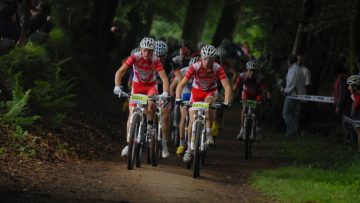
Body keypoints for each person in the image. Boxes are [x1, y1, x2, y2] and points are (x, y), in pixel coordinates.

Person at [175, 45, 232, 162]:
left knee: (208, 104)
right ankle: (189, 149)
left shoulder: (217, 68)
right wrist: (177, 98)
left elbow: (227, 86)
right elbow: (181, 84)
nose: (207, 61)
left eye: (210, 59)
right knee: (191, 119)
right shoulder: (195, 67)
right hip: (196, 92)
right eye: (205, 59)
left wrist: (226, 101)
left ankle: (209, 133)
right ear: (201, 58)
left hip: (210, 92)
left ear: (214, 59)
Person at [114, 37, 169, 157]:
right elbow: (120, 71)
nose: (146, 53)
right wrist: (117, 86)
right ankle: (129, 145)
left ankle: (150, 127)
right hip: (137, 86)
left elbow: (164, 78)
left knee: (151, 103)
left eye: (149, 51)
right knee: (131, 114)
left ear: (153, 51)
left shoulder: (155, 60)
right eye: (144, 50)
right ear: (141, 49)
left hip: (150, 86)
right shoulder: (135, 57)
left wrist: (165, 93)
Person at [153, 40, 182, 158]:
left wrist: (176, 91)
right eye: (157, 56)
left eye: (162, 56)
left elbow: (180, 77)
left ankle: (164, 144)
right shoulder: (149, 59)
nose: (159, 59)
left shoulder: (170, 61)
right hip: (151, 87)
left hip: (165, 89)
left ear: (166, 55)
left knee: (165, 117)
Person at [233, 60, 269, 141]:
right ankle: (242, 130)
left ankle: (258, 129)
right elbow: (235, 88)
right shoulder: (242, 76)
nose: (252, 72)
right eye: (250, 70)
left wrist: (267, 94)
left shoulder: (260, 78)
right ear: (247, 70)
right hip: (246, 93)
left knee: (257, 110)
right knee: (244, 109)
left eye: (255, 71)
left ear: (258, 71)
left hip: (257, 94)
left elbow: (265, 89)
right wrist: (231, 94)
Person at [170, 56, 199, 155]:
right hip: (186, 94)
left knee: (194, 116)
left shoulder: (199, 71)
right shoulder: (183, 71)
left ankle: (194, 137)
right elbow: (173, 86)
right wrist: (173, 97)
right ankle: (182, 143)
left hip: (195, 95)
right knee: (183, 117)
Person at [282, 55, 306, 136]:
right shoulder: (297, 69)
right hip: (296, 94)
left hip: (292, 94)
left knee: (286, 113)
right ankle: (293, 131)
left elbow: (292, 83)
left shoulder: (294, 69)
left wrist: (285, 90)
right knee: (292, 114)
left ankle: (292, 131)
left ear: (289, 61)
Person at [346, 75, 360, 151]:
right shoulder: (355, 95)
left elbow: (355, 107)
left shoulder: (358, 96)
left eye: (349, 86)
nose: (348, 88)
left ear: (354, 87)